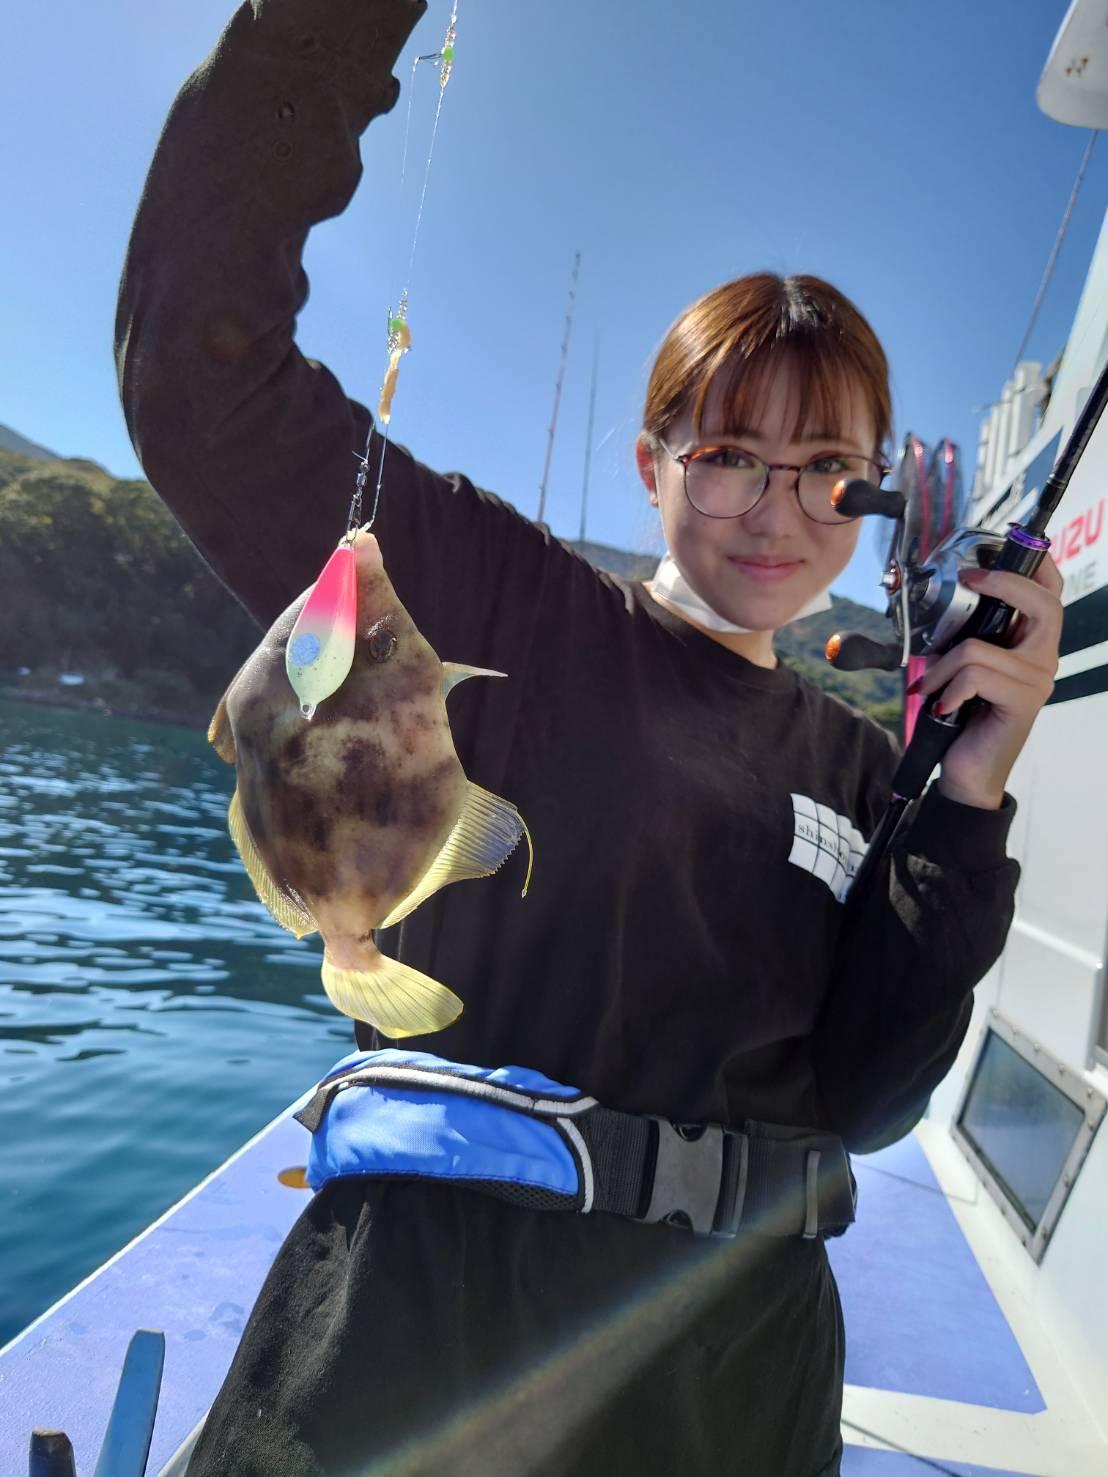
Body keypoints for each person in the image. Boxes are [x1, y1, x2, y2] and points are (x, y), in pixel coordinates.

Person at [114, 2, 1063, 1473]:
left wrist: (970, 794)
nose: (778, 506)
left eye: (830, 471)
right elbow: (199, 369)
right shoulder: (508, 597)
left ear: (872, 496)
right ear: (653, 463)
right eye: (733, 454)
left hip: (734, 1388)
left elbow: (870, 1098)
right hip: (413, 1350)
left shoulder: (868, 770)